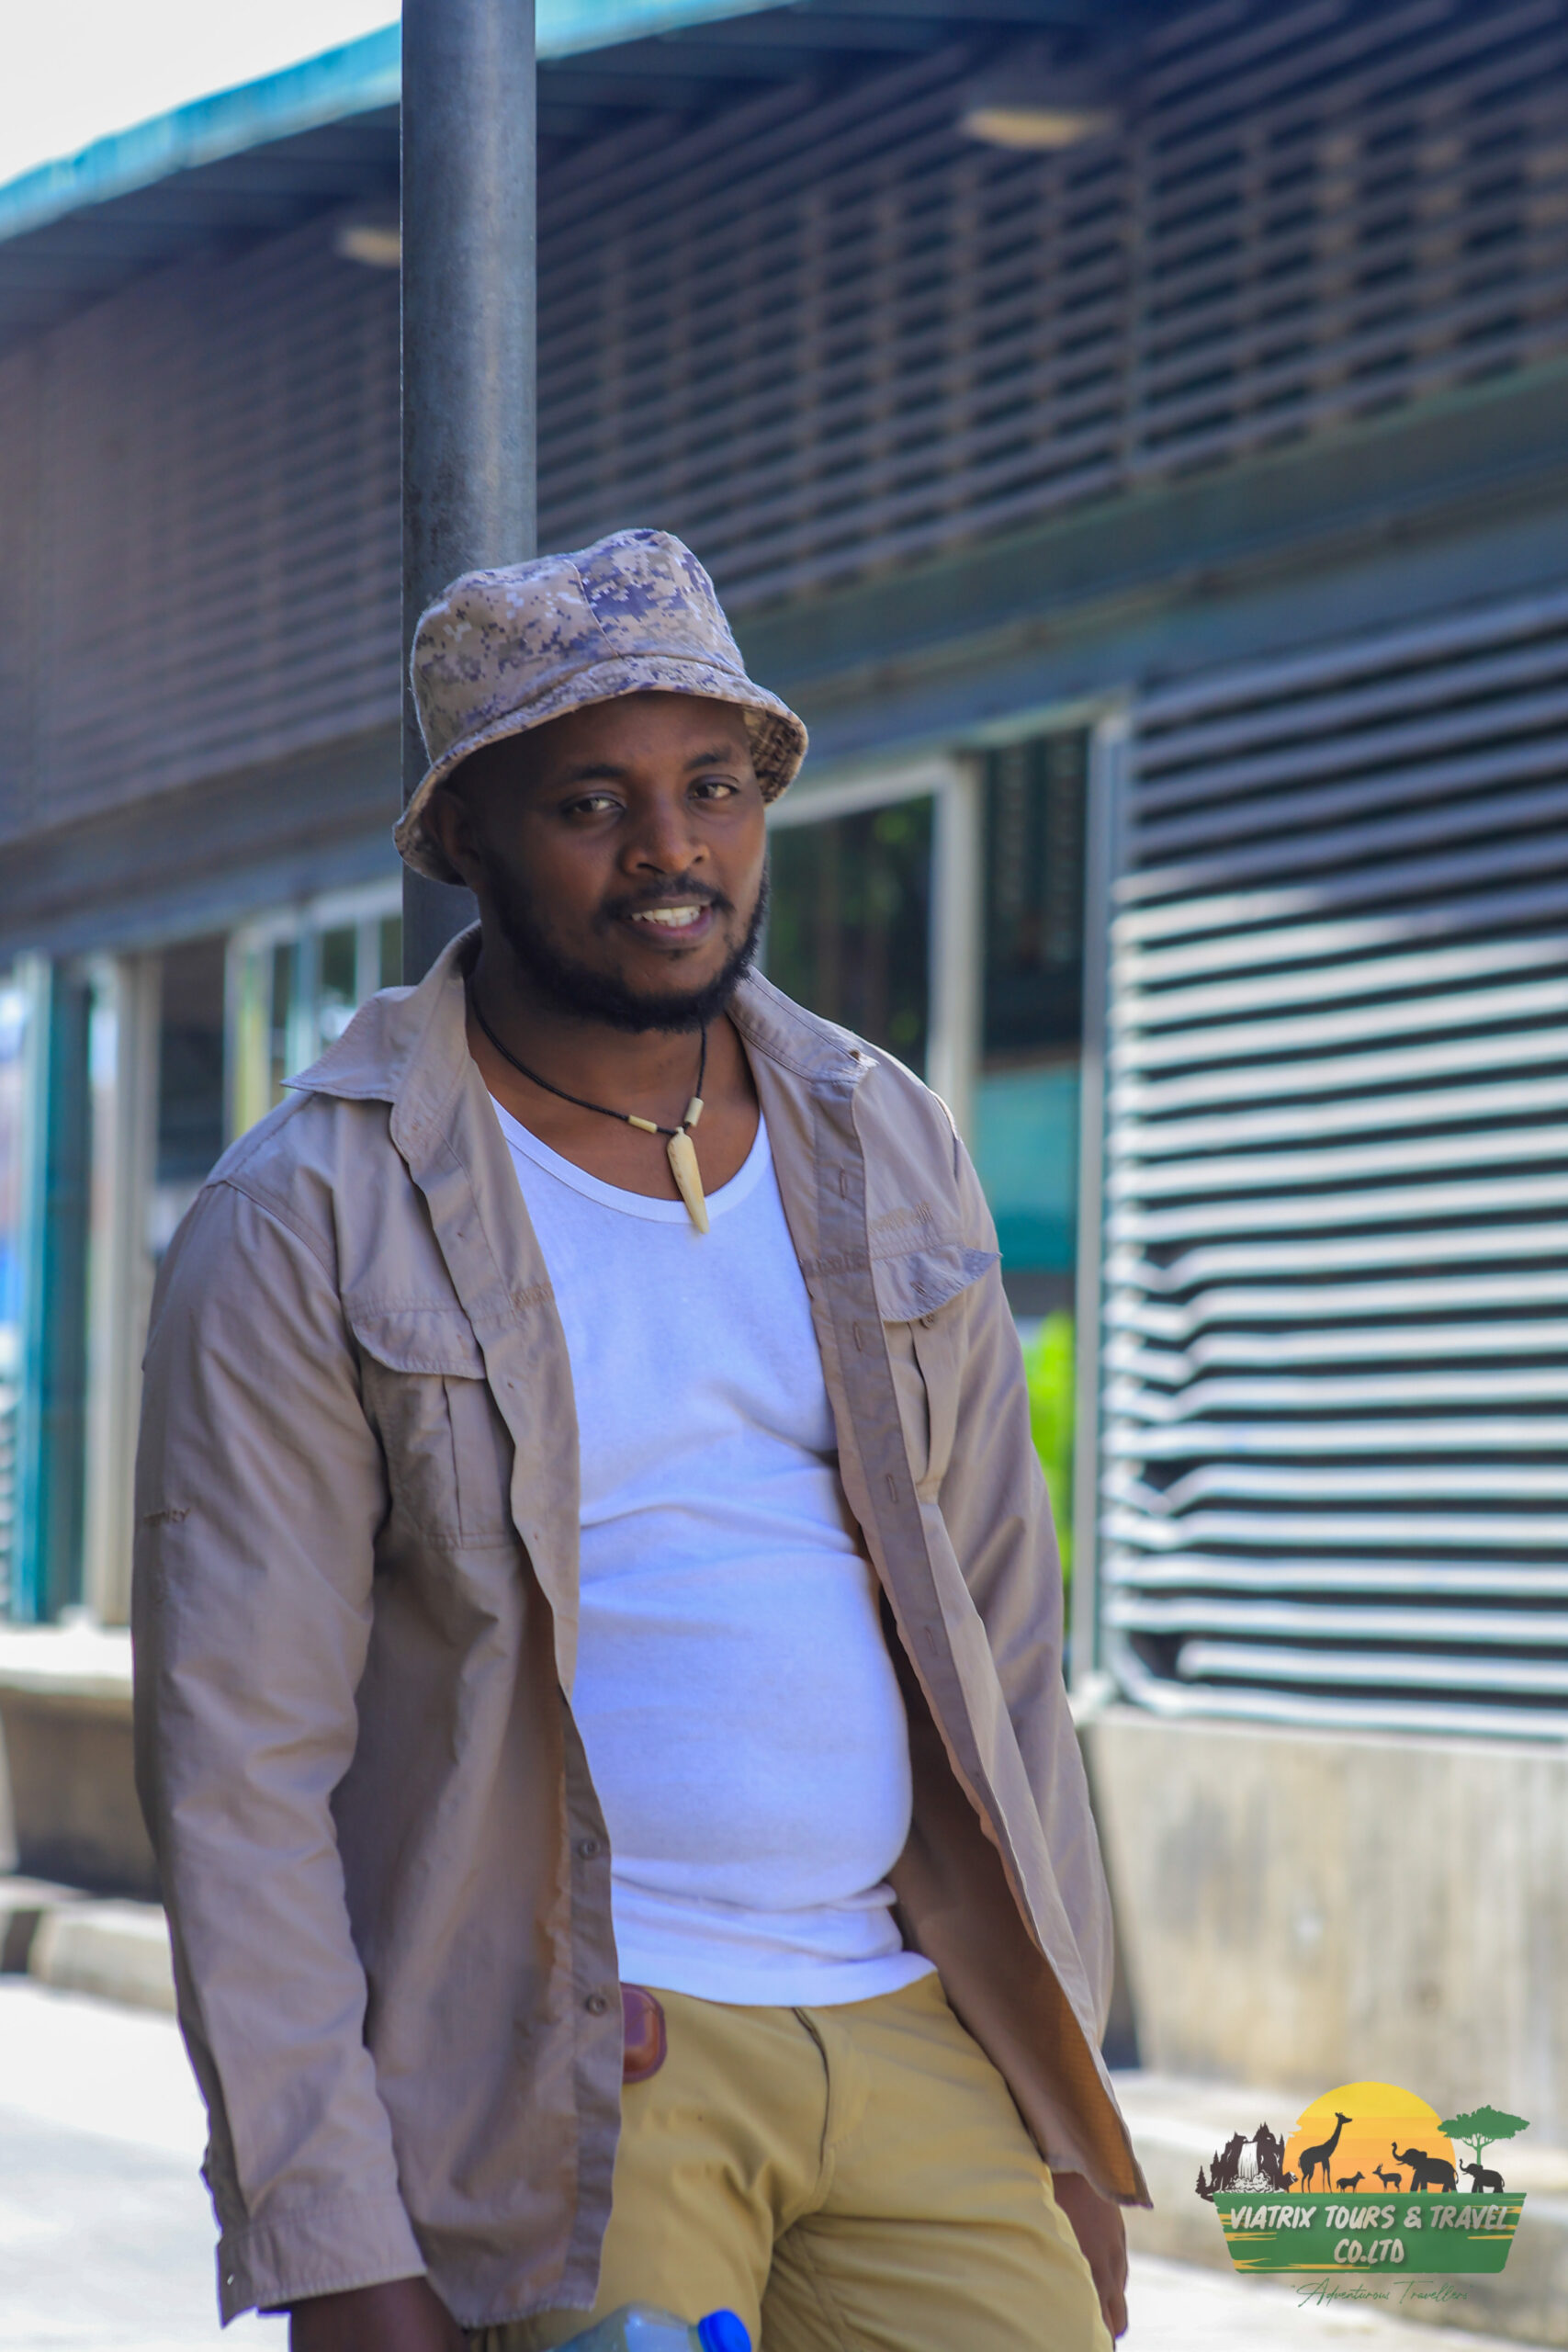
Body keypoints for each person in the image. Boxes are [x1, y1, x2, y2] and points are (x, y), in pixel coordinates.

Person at [132, 528, 1147, 2352]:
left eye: (713, 787)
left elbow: (1008, 1653)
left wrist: (1062, 2107)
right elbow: (240, 1772)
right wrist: (333, 2238)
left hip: (915, 2030)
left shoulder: (885, 1137)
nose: (671, 848)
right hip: (579, 2075)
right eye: (591, 802)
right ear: (467, 837)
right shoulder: (307, 1215)